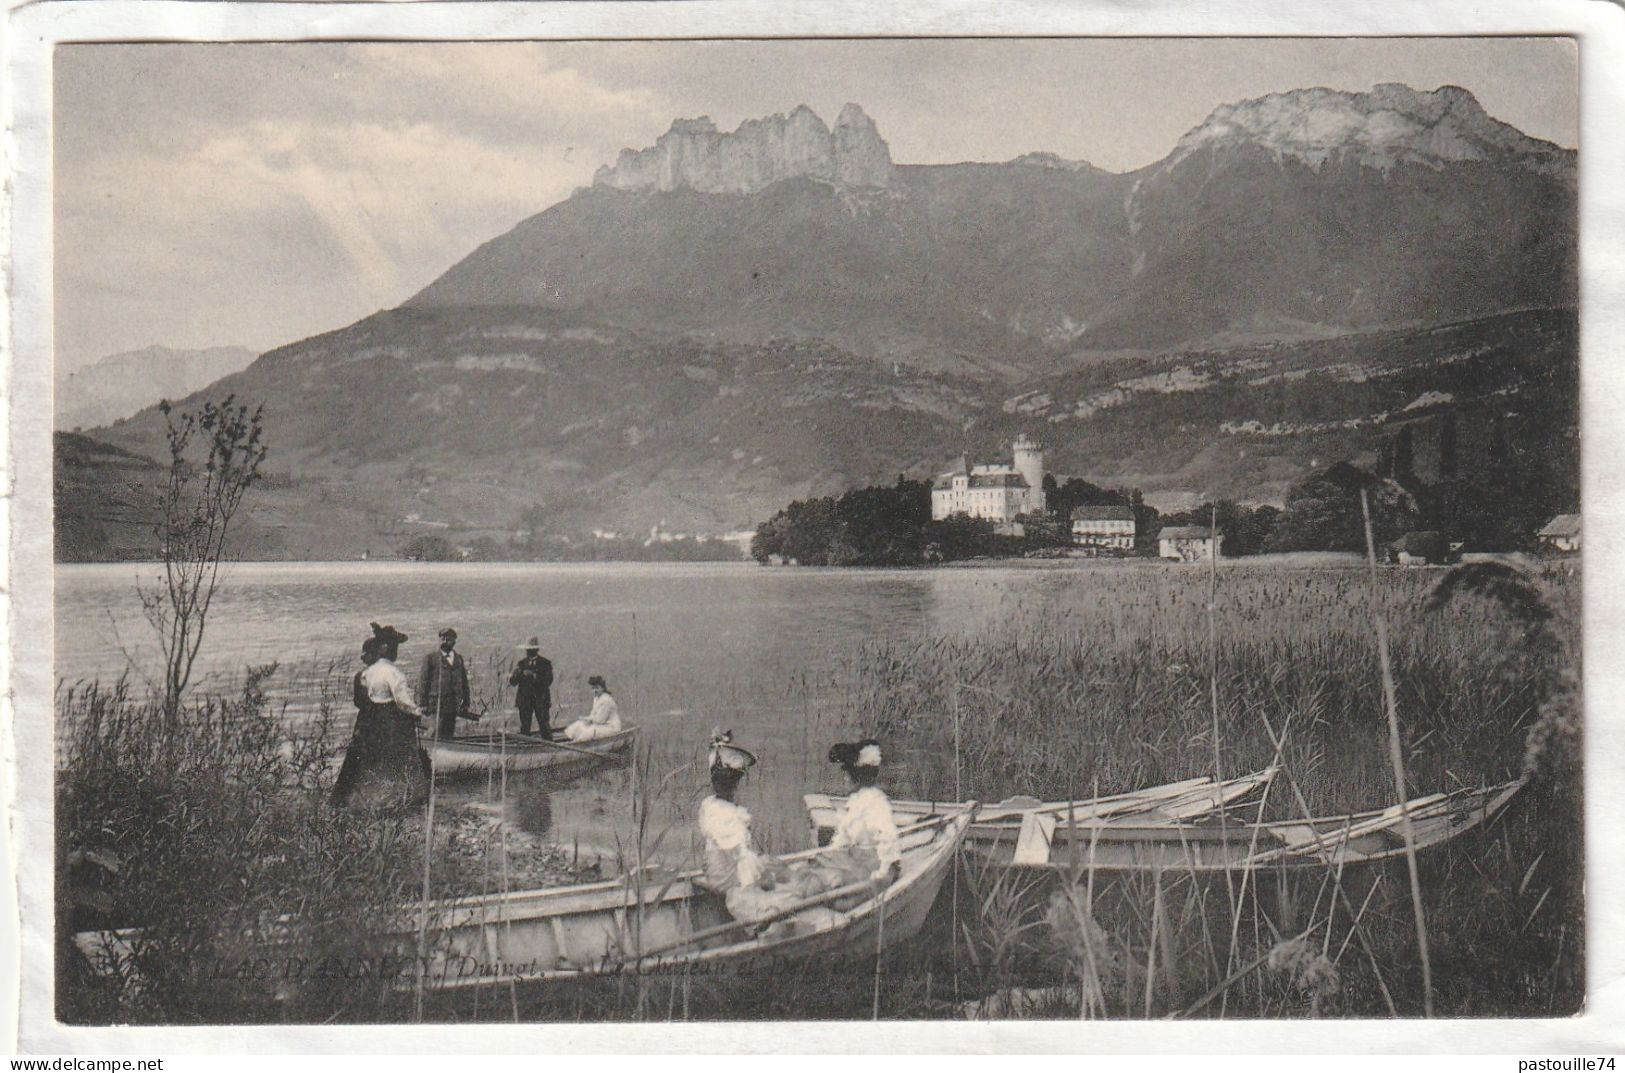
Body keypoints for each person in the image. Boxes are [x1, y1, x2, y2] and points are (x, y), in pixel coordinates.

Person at [696, 730, 825, 927]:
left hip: (720, 872)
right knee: (787, 884)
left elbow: (735, 854)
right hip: (726, 879)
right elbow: (741, 860)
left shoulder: (711, 805)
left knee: (779, 871)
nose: (734, 788)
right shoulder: (725, 815)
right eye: (734, 783)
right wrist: (761, 880)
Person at [341, 622, 429, 805]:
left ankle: (363, 798)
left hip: (370, 721)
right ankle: (403, 798)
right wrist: (417, 712)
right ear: (386, 648)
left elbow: (364, 697)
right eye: (395, 647)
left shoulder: (368, 671)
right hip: (392, 720)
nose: (396, 651)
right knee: (399, 759)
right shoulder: (393, 672)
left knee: (370, 758)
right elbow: (402, 701)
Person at [816, 739, 902, 888]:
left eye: (846, 775)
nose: (844, 779)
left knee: (833, 880)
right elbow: (844, 837)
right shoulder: (855, 800)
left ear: (856, 777)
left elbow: (887, 839)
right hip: (856, 859)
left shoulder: (875, 803)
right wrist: (831, 853)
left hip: (873, 863)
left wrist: (882, 873)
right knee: (818, 864)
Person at [418, 626, 473, 739]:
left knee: (448, 733)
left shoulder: (458, 659)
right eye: (442, 639)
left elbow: (464, 682)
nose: (444, 641)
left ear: (454, 641)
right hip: (436, 704)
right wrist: (423, 703)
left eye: (448, 639)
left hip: (453, 705)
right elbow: (423, 682)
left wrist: (466, 702)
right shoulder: (430, 658)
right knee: (435, 732)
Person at [508, 636, 554, 737]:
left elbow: (548, 681)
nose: (529, 651)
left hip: (541, 700)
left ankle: (548, 747)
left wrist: (534, 676)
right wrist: (518, 674)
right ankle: (525, 749)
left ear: (537, 650)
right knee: (524, 728)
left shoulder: (545, 664)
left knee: (544, 726)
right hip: (524, 701)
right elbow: (512, 682)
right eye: (528, 649)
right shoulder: (521, 664)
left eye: (532, 649)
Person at [562, 674, 622, 742]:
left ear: (602, 688)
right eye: (593, 688)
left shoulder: (607, 700)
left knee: (590, 730)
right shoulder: (596, 698)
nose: (594, 690)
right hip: (600, 724)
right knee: (579, 724)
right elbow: (593, 714)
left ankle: (577, 744)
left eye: (597, 688)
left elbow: (600, 720)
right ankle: (568, 741)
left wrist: (587, 719)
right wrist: (586, 719)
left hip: (610, 727)